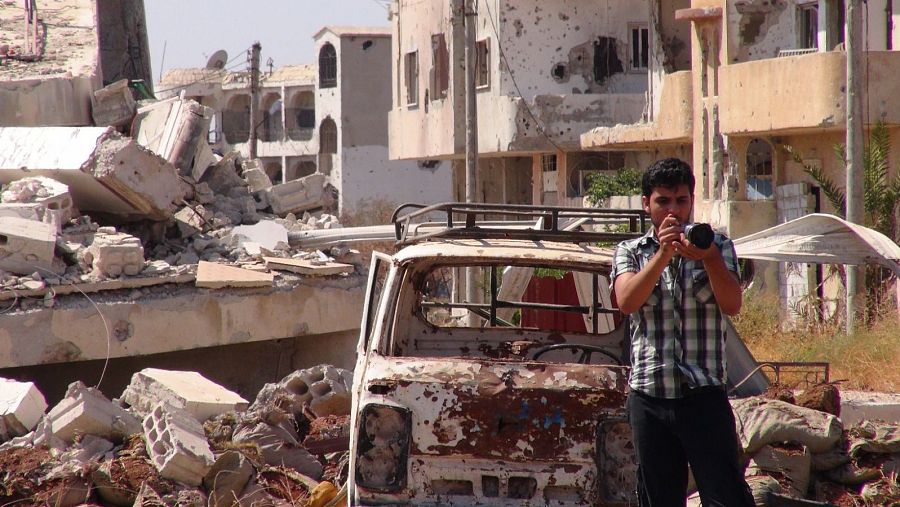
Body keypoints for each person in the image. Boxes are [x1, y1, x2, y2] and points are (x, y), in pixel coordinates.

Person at [610, 158, 754, 506]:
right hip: (651, 397)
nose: (673, 211)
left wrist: (708, 259)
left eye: (681, 201)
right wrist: (662, 255)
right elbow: (627, 301)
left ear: (691, 201)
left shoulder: (717, 246)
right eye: (663, 202)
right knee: (659, 497)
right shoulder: (630, 251)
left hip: (703, 396)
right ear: (647, 204)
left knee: (725, 496)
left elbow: (732, 303)